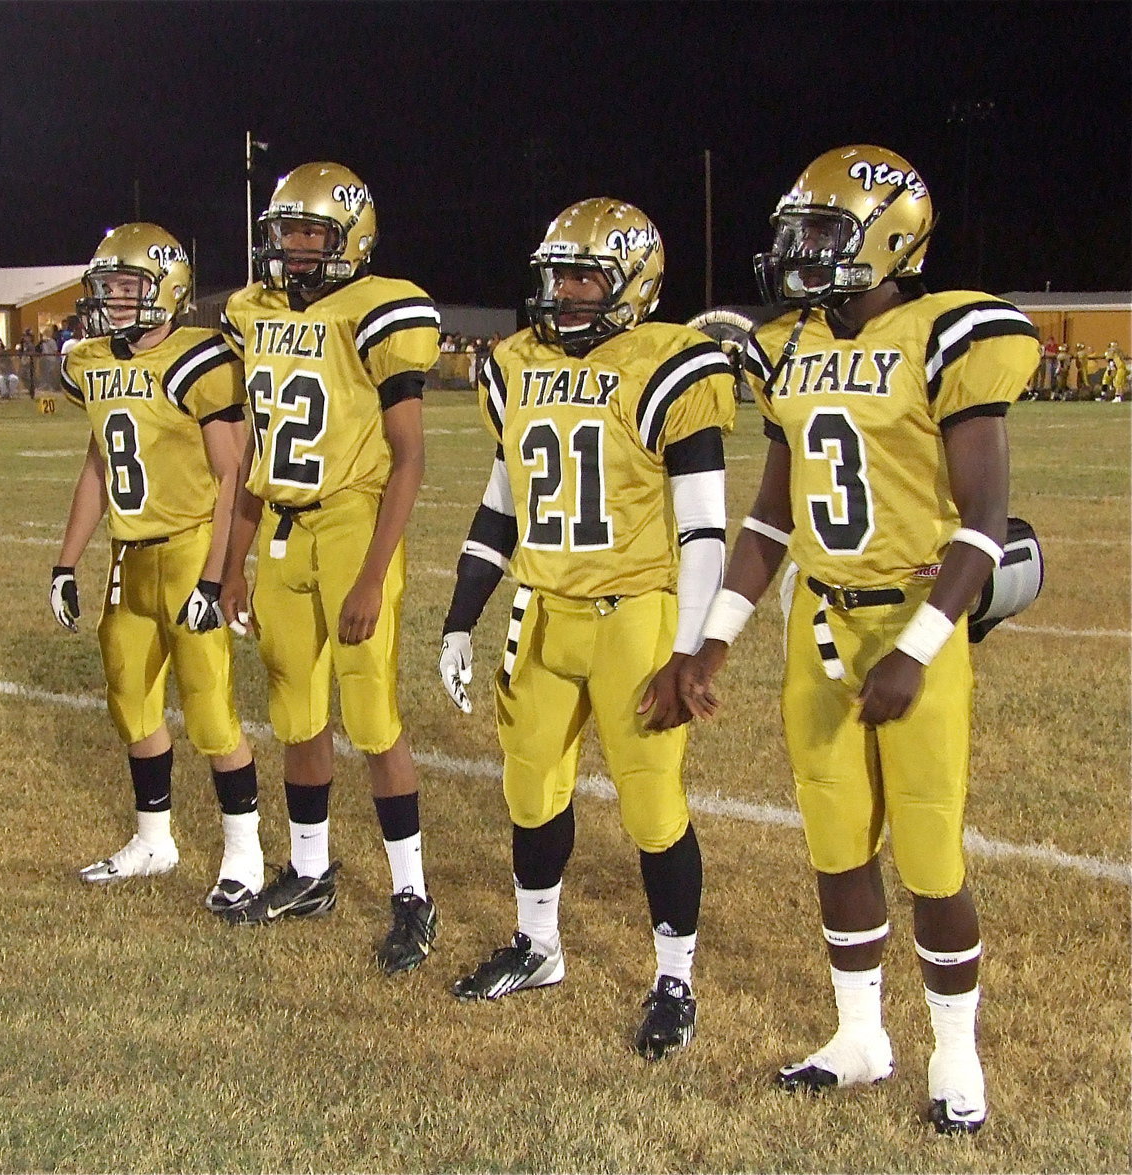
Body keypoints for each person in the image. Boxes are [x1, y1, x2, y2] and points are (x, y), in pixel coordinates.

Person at [679, 145, 1040, 1133]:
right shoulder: (791, 345)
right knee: (836, 842)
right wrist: (713, 642)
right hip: (820, 616)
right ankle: (859, 1036)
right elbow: (767, 519)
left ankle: (956, 1055)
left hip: (908, 620)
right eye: (795, 230)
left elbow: (987, 516)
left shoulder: (947, 333)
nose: (797, 250)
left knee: (928, 852)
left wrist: (921, 643)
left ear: (886, 239)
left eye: (821, 232)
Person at [438, 198, 737, 1059]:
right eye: (557, 276)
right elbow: (502, 504)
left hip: (634, 613)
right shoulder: (517, 365)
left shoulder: (665, 364)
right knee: (530, 792)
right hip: (542, 607)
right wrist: (462, 616)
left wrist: (689, 647)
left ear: (633, 282)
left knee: (651, 803)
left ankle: (675, 978)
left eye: (584, 276)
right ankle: (539, 946)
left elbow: (705, 529)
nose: (564, 293)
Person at [219, 162, 442, 976]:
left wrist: (374, 573)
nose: (294, 247)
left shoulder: (381, 308)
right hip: (279, 522)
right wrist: (233, 561)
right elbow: (253, 446)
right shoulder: (254, 312)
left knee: (374, 716)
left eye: (311, 231)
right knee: (296, 710)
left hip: (352, 519)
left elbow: (411, 457)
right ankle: (311, 873)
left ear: (351, 235)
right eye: (286, 231)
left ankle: (412, 894)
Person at [51, 222, 264, 913]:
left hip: (185, 548)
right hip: (126, 557)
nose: (111, 299)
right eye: (107, 285)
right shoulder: (91, 360)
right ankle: (154, 839)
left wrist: (215, 575)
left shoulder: (195, 358)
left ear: (167, 288)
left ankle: (244, 852)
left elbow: (233, 474)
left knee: (209, 711)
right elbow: (99, 464)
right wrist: (65, 561)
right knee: (130, 701)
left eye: (126, 285)